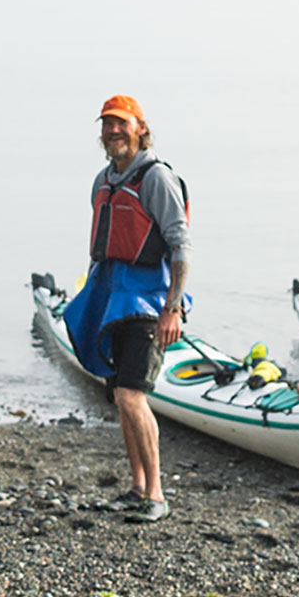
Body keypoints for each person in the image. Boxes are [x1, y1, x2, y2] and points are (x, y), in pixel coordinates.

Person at [60, 95, 191, 523]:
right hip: (114, 297)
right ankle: (136, 487)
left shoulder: (156, 178)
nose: (113, 131)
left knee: (133, 396)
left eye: (122, 124)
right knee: (119, 396)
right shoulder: (104, 179)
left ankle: (156, 495)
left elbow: (180, 245)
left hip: (149, 302)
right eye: (107, 125)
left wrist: (173, 308)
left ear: (140, 128)